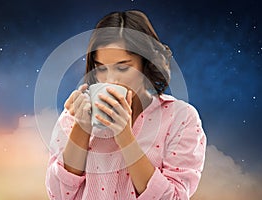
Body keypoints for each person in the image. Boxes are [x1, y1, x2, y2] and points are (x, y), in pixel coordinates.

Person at [45, 10, 206, 200]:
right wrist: (82, 127)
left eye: (123, 67)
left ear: (146, 64)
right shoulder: (75, 114)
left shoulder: (181, 117)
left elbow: (174, 197)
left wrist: (125, 137)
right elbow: (58, 195)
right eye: (101, 68)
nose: (110, 79)